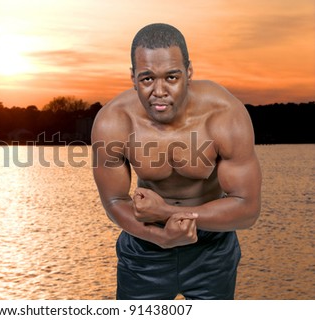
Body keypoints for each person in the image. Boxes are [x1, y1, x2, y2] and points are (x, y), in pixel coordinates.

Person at [91, 23, 262, 300]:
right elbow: (113, 202)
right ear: (133, 77)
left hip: (212, 250)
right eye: (147, 79)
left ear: (189, 72)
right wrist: (160, 236)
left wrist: (166, 212)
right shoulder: (114, 121)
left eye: (171, 77)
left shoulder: (224, 114)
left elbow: (248, 209)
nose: (159, 91)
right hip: (145, 248)